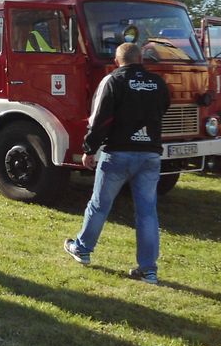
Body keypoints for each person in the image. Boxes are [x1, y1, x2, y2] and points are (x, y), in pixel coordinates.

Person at [64, 43, 171, 285]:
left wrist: (89, 149)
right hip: (150, 154)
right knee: (147, 213)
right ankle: (148, 269)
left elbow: (99, 117)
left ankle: (82, 248)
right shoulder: (158, 82)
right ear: (141, 58)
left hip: (119, 153)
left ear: (117, 60)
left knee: (100, 205)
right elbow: (164, 108)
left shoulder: (112, 80)